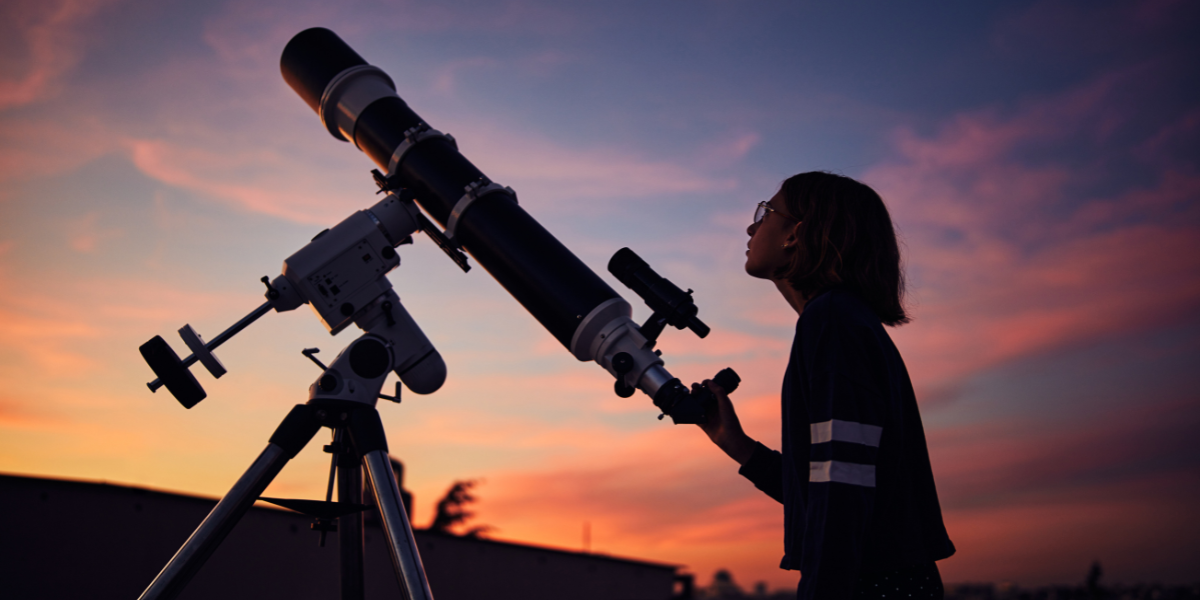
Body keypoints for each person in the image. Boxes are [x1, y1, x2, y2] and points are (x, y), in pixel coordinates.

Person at [697, 172, 955, 599]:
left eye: (766, 213)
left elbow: (843, 489)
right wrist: (737, 444)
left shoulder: (832, 321)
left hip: (871, 585)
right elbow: (824, 489)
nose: (751, 226)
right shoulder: (839, 321)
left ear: (795, 233)